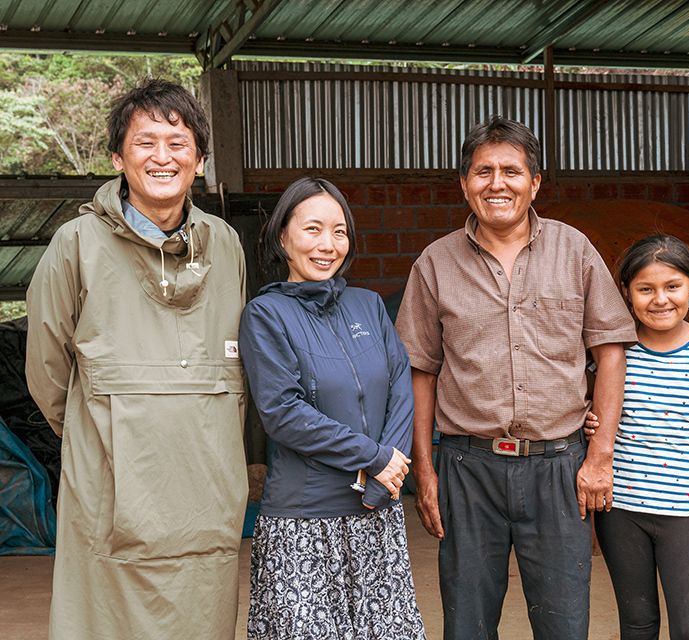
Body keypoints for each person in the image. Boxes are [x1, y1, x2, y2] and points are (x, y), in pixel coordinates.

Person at [395, 115, 636, 640]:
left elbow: (611, 351)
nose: (497, 183)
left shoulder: (574, 251)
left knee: (564, 625)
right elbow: (420, 370)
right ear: (464, 184)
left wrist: (600, 458)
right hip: (467, 465)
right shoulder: (434, 263)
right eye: (483, 172)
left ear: (535, 183)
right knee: (467, 622)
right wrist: (426, 471)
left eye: (511, 171)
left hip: (559, 468)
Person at [25, 78, 248, 640]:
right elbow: (47, 375)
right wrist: (104, 433)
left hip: (207, 492)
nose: (162, 157)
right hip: (111, 488)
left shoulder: (224, 244)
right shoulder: (75, 245)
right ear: (119, 156)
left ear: (199, 159)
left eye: (178, 144)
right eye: (145, 142)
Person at [238, 177, 425, 640]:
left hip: (376, 515)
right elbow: (283, 412)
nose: (328, 245)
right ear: (283, 237)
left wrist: (389, 473)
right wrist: (374, 458)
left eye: (339, 232)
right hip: (304, 524)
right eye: (313, 230)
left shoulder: (368, 305)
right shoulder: (265, 315)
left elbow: (402, 385)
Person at [585, 235, 689, 640]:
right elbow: (594, 414)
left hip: (687, 514)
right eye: (645, 289)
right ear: (626, 292)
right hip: (620, 511)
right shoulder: (615, 350)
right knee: (637, 623)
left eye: (672, 287)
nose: (660, 299)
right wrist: (589, 421)